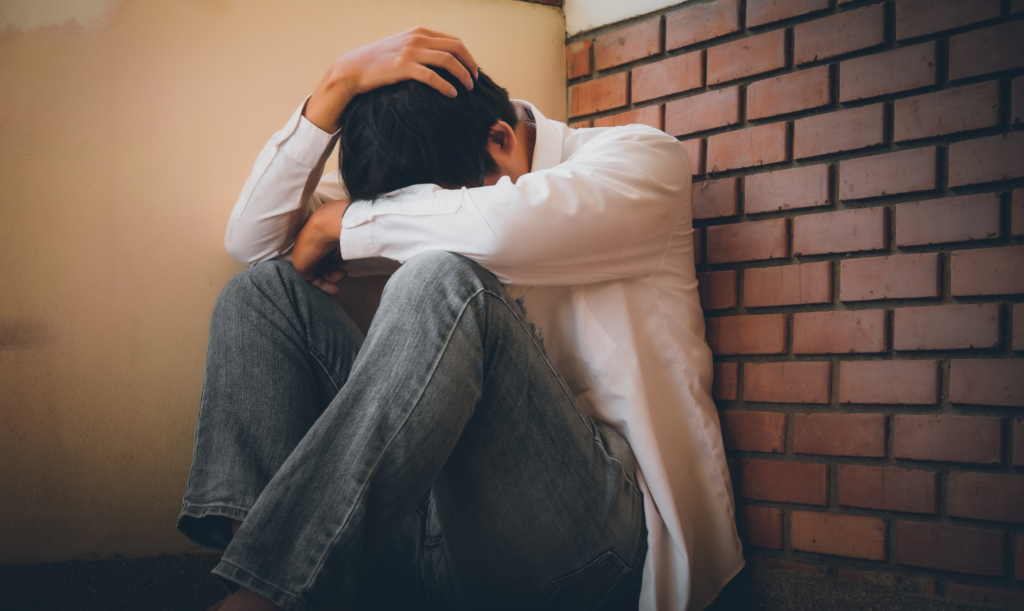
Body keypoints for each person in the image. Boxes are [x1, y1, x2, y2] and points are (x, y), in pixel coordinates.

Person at [178, 28, 742, 611]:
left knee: (439, 277)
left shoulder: (638, 161)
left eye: (438, 205)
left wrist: (342, 225)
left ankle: (267, 598)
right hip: (433, 539)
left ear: (500, 138)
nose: (430, 218)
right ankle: (261, 572)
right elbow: (253, 242)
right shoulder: (433, 176)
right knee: (264, 293)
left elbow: (505, 226)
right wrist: (335, 86)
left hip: (595, 547)